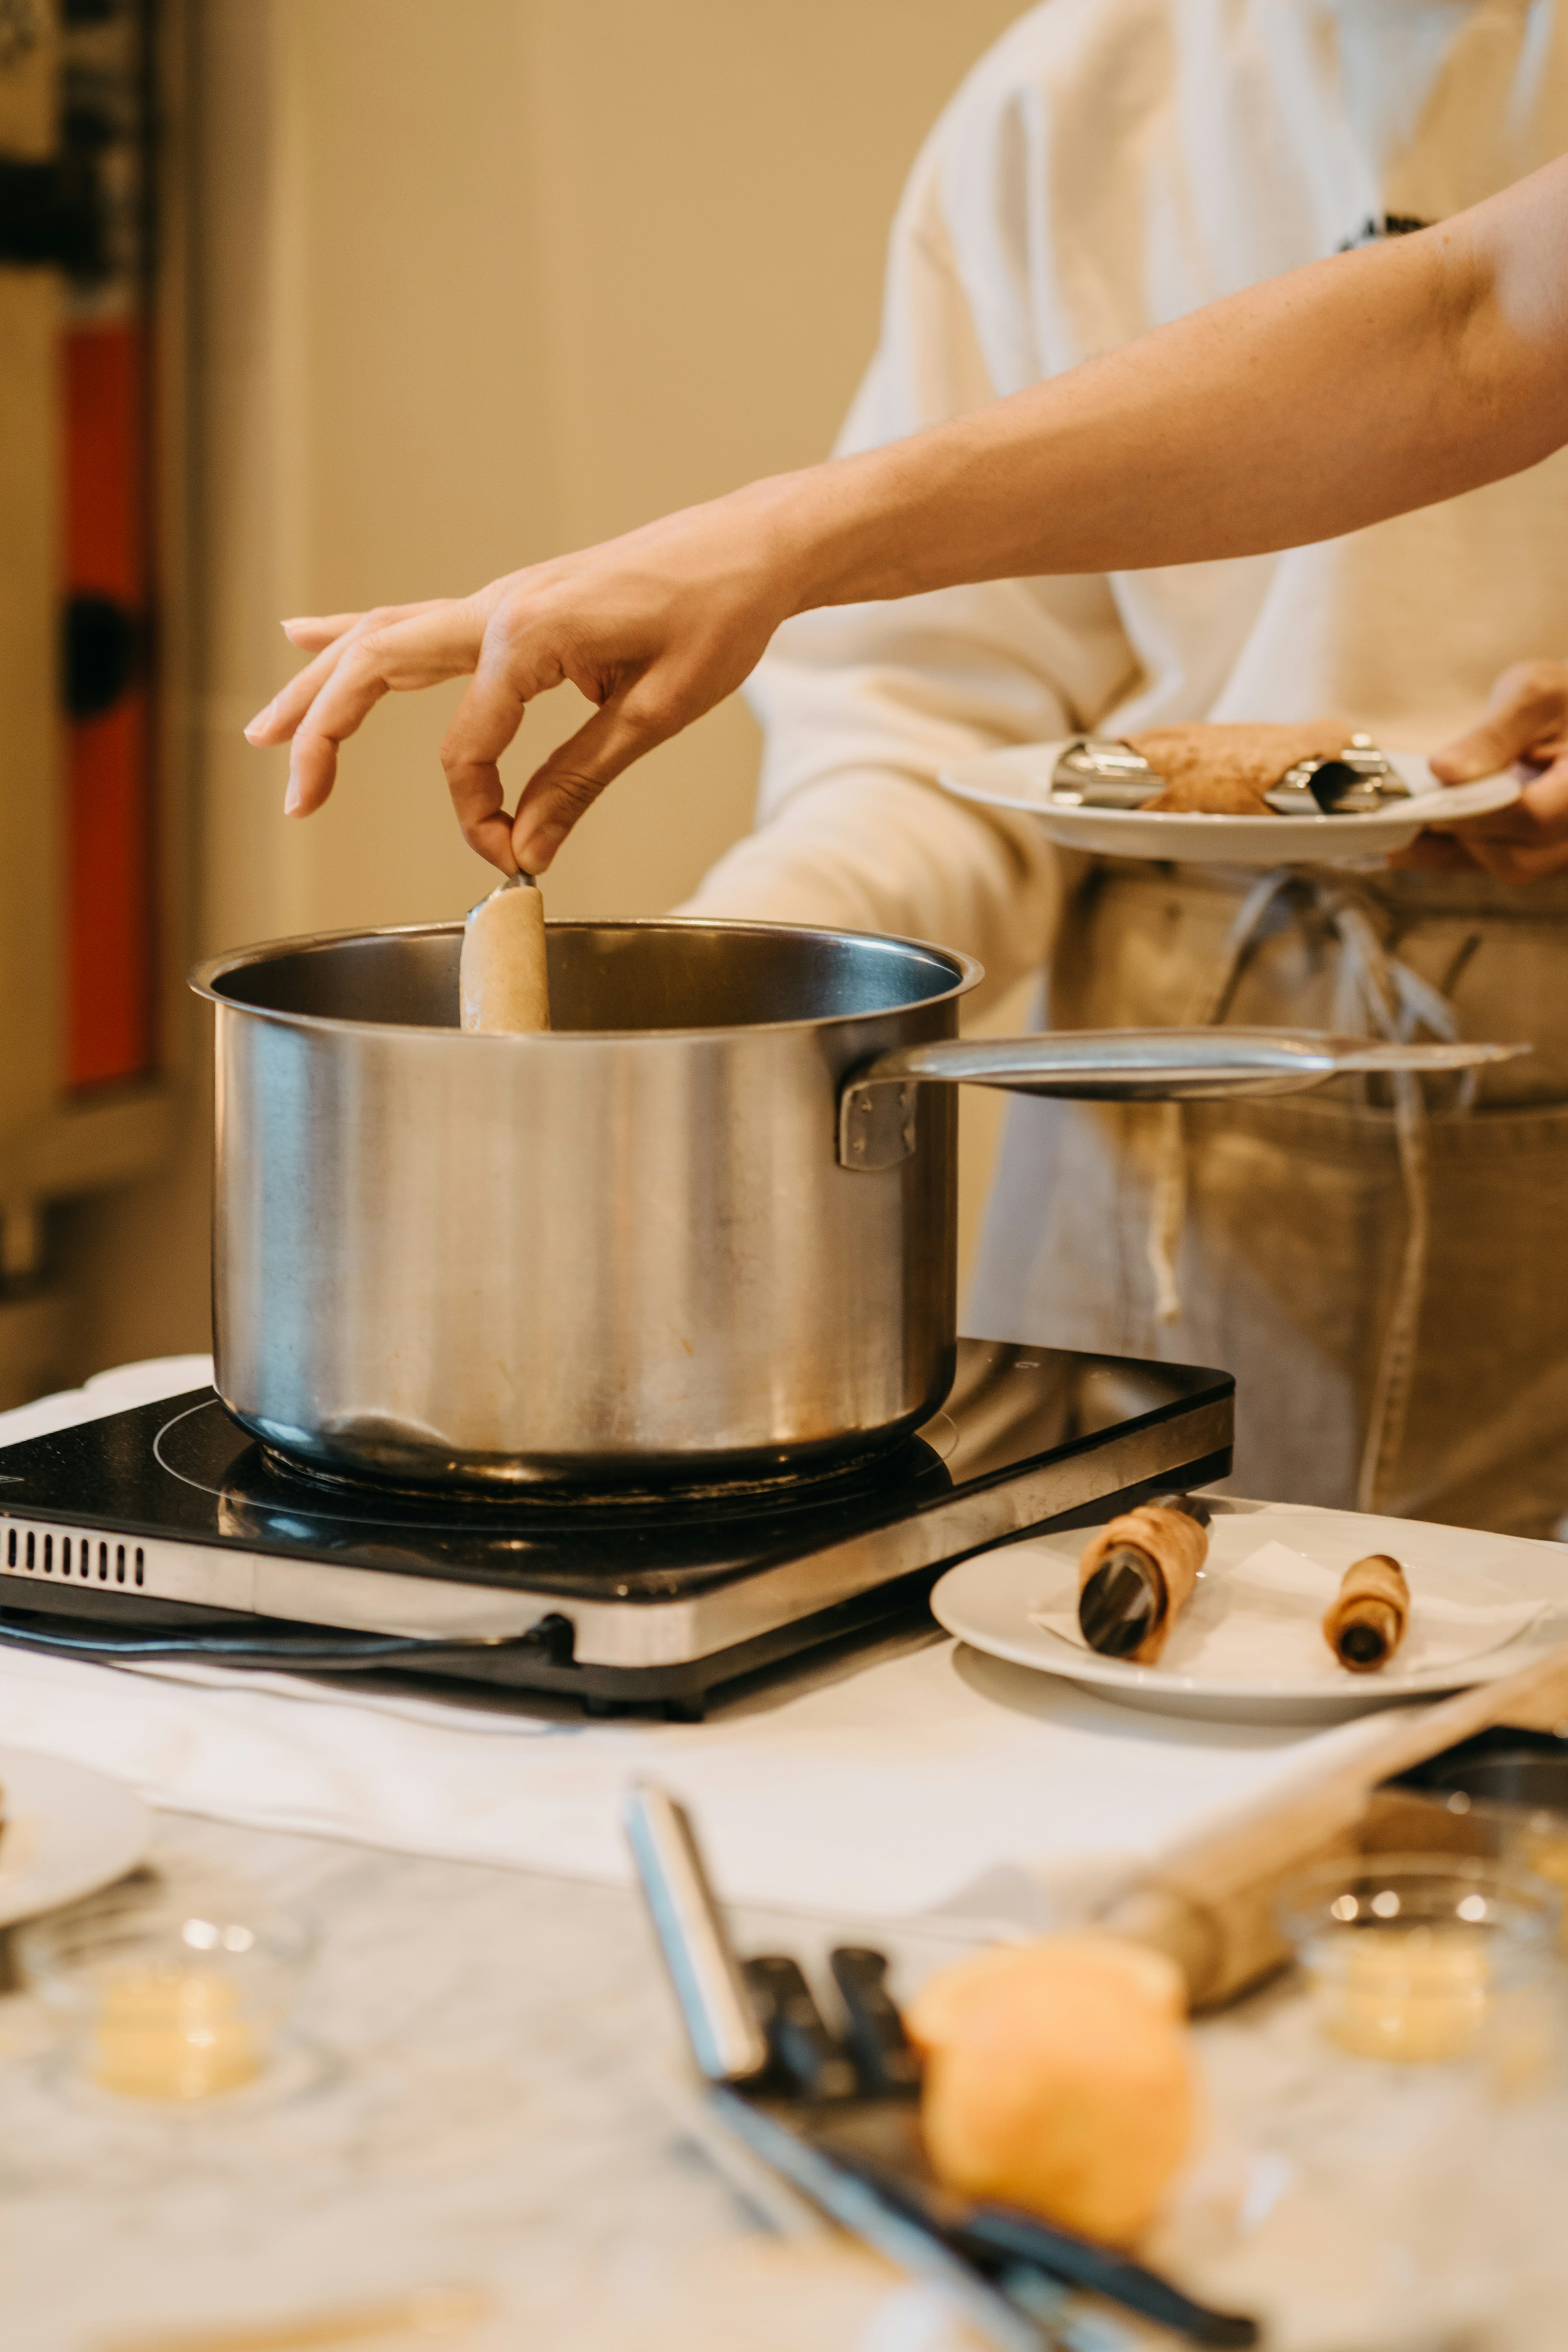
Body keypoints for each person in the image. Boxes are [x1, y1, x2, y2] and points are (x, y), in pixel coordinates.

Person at [247, 42, 1568, 1530]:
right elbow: (941, 725)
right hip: (1155, 1124)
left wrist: (775, 542)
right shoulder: (1075, 96)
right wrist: (716, 1017)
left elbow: (1473, 328)